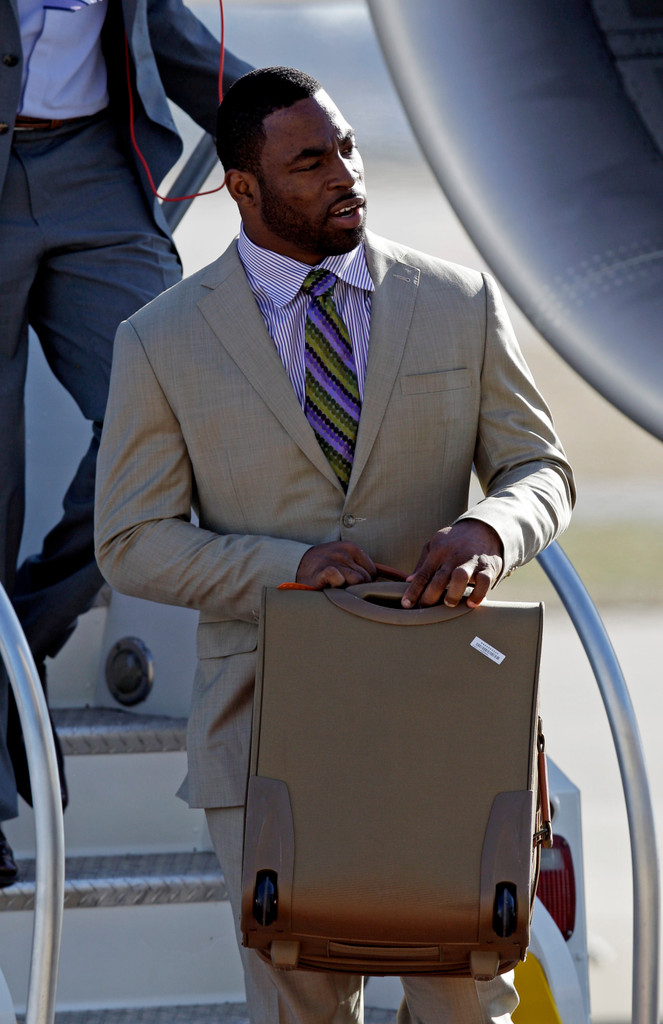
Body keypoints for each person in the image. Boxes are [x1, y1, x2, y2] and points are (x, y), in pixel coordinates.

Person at [94, 66, 575, 1024]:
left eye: (346, 147)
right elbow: (131, 542)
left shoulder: (459, 300)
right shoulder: (161, 340)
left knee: (462, 1002)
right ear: (243, 187)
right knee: (301, 1007)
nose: (344, 173)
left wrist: (490, 526)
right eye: (309, 161)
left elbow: (542, 469)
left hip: (450, 717)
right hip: (270, 728)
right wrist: (284, 567)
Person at [0, 0, 252, 885]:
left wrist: (287, 117)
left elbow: (170, 37)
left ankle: (18, 645)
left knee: (168, 420)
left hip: (98, 170)